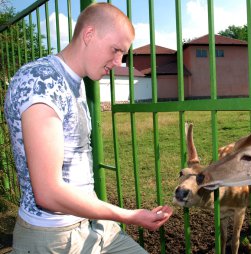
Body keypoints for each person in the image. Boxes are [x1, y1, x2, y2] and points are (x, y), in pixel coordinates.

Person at [4, 2, 173, 253]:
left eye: (123, 54)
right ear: (89, 34)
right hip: (53, 237)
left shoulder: (76, 82)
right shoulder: (42, 80)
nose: (118, 62)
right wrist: (129, 215)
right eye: (116, 50)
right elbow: (48, 193)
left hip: (95, 228)